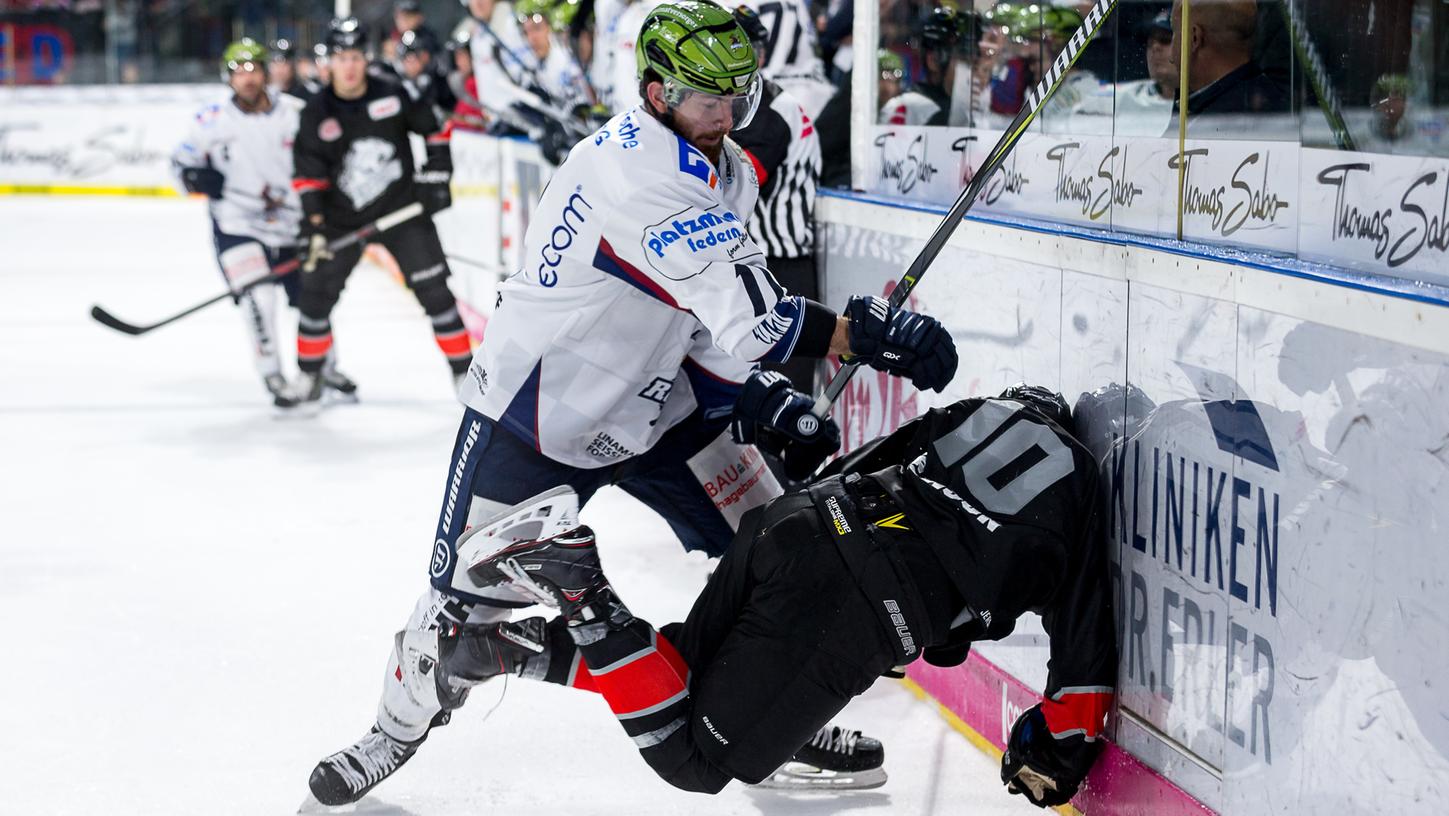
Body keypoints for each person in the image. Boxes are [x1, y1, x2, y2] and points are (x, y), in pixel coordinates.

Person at [305, 2, 958, 805]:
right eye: (704, 99)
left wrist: (755, 397)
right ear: (654, 92)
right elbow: (755, 318)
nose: (724, 116)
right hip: (537, 417)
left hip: (659, 408)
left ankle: (769, 716)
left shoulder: (728, 170)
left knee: (784, 549)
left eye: (737, 96)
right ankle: (392, 731)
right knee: (454, 615)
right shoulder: (637, 175)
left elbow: (703, 324)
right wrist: (863, 333)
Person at [459, 382, 1116, 804]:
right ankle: (581, 591)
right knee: (695, 764)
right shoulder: (1078, 491)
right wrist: (1050, 754)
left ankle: (505, 651)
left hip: (797, 519)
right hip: (859, 597)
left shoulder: (976, 413)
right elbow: (1084, 654)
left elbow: (859, 466)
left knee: (680, 674)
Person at [290, 17, 473, 403]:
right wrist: (316, 226)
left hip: (402, 212)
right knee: (315, 295)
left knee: (436, 294)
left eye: (357, 56)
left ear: (366, 58)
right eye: (342, 57)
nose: (350, 65)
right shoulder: (316, 112)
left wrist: (438, 172)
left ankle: (464, 375)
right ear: (330, 61)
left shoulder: (393, 92)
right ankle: (309, 376)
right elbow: (308, 178)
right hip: (343, 220)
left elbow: (435, 128)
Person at [171, 38, 305, 408]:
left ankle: (320, 368)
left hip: (294, 225)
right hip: (237, 225)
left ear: (266, 73)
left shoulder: (295, 112)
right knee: (259, 299)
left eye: (253, 70)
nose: (247, 78)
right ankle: (273, 375)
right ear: (227, 77)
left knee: (313, 302)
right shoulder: (210, 120)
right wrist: (193, 179)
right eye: (238, 71)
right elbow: (179, 164)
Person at [729, 5, 822, 397]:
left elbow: (732, 192)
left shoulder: (772, 111)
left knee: (781, 405)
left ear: (760, 56)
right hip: (757, 268)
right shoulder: (741, 106)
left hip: (782, 273)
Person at [1165, 0, 1291, 138]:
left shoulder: (1212, 128)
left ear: (1194, 38)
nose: (1170, 56)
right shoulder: (1275, 109)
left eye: (1174, 32)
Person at [879, 6, 970, 126]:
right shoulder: (908, 109)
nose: (973, 74)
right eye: (965, 63)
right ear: (934, 61)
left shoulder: (969, 111)